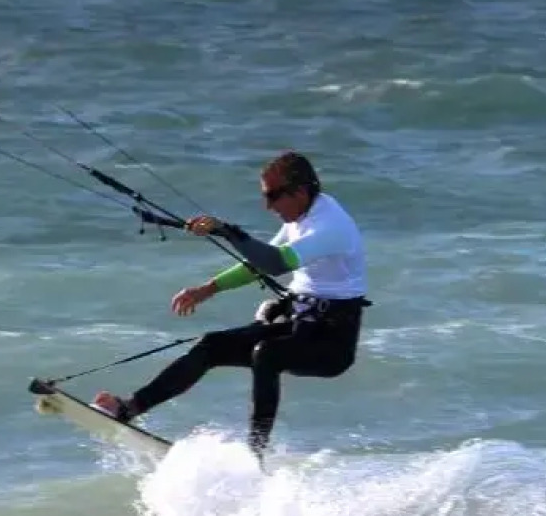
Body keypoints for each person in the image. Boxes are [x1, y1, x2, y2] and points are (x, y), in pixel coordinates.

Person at [93, 150, 369, 462]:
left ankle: (256, 453)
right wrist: (207, 289)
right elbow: (259, 263)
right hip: (299, 323)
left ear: (300, 191)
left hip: (332, 342)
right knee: (211, 346)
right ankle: (130, 407)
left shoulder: (331, 225)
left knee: (268, 354)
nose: (268, 206)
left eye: (273, 196)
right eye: (265, 196)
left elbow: (276, 263)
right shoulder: (300, 217)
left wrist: (228, 231)